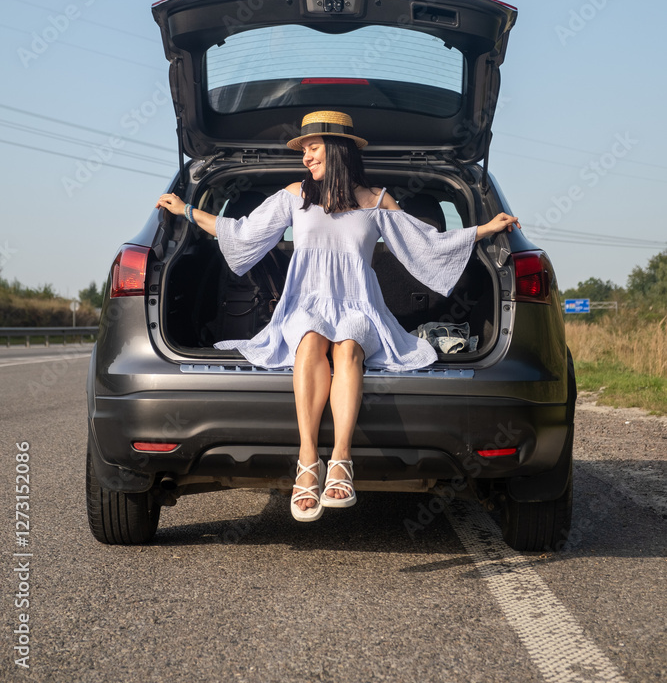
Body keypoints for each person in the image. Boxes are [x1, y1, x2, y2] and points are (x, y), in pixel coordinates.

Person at [156, 110, 520, 523]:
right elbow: (241, 232)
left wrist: (484, 229)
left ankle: (342, 460)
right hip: (304, 304)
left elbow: (426, 243)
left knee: (348, 347)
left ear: (337, 149)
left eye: (313, 148)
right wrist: (186, 210)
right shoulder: (294, 195)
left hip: (359, 305)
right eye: (304, 150)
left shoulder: (376, 201)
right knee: (310, 338)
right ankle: (308, 461)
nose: (306, 157)